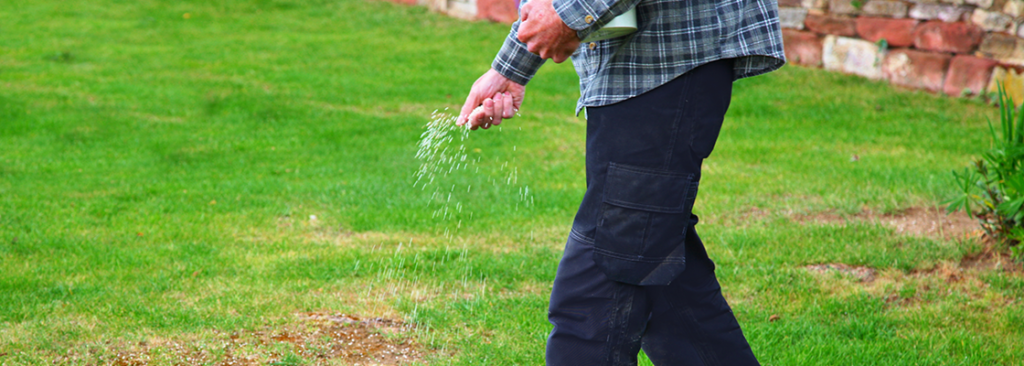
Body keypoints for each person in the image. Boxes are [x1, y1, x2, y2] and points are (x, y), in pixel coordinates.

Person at [456, 0, 785, 364]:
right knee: (664, 285)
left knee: (593, 301)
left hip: (665, 62)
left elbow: (561, 10)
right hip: (630, 70)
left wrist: (570, 14)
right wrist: (511, 67)